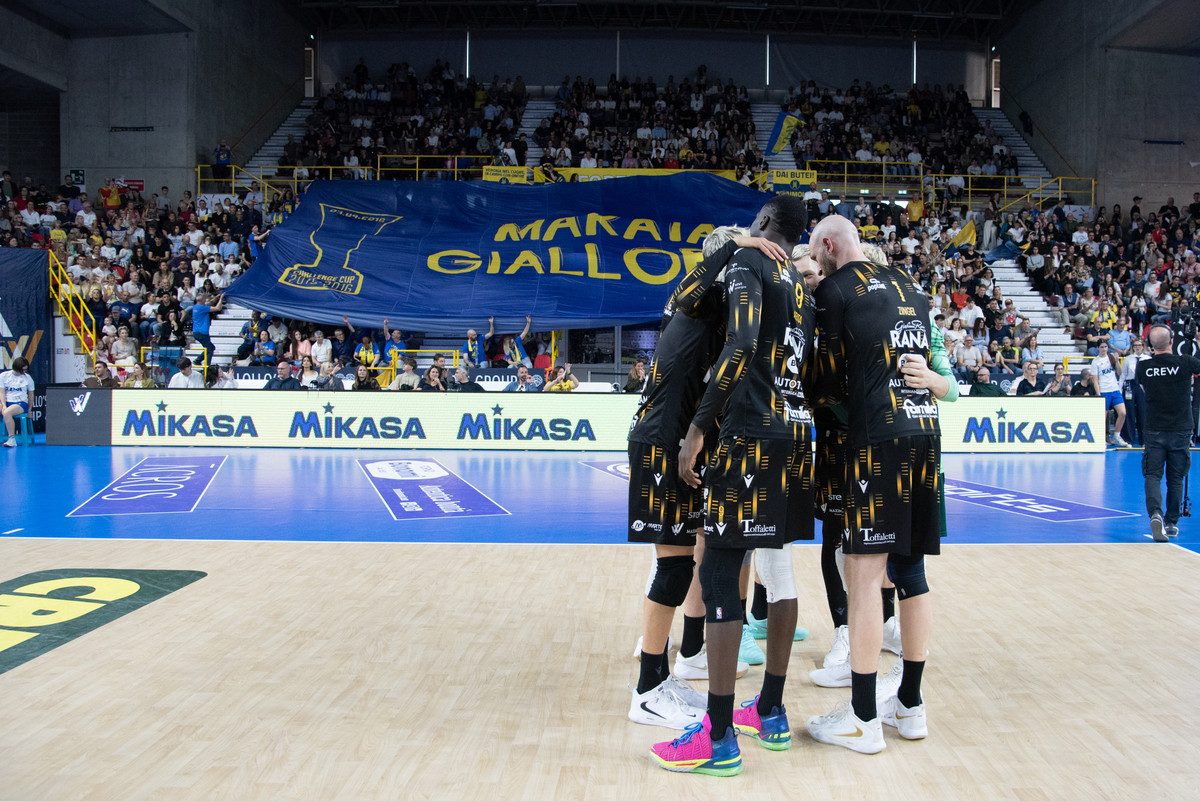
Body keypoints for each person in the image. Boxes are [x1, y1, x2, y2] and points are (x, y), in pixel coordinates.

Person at [657, 196, 813, 775]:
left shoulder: (749, 262)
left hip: (750, 433)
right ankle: (770, 710)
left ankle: (717, 737)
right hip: (795, 434)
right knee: (778, 570)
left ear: (764, 223)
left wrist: (698, 429)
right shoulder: (800, 288)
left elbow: (740, 344)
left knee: (720, 573)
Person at [628, 229, 787, 734]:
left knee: (681, 565)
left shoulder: (714, 310)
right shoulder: (697, 301)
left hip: (673, 441)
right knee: (673, 568)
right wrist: (738, 243)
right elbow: (688, 291)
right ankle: (647, 691)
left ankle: (662, 676)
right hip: (662, 441)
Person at [808, 212, 939, 754]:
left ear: (830, 245)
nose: (816, 265)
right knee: (911, 572)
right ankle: (910, 703)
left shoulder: (835, 290)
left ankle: (863, 718)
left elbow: (823, 380)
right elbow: (924, 364)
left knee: (862, 576)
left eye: (816, 254)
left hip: (876, 439)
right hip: (924, 432)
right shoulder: (911, 287)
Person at [1137, 325, 1200, 541]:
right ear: (1172, 341)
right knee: (1175, 477)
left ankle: (1156, 513)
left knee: (1153, 474)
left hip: (1154, 428)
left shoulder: (1143, 366)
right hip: (1180, 429)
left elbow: (1144, 390)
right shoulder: (1185, 362)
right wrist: (1196, 341)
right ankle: (1172, 522)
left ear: (1150, 345)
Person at [1092, 341, 1128, 446]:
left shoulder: (1111, 357)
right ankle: (1101, 439)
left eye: (1105, 347)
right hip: (1104, 391)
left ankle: (1117, 435)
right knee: (1103, 417)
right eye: (1102, 347)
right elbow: (1095, 380)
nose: (1104, 349)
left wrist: (1117, 361)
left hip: (1115, 390)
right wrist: (1099, 395)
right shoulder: (1095, 362)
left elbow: (1119, 372)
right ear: (1098, 348)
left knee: (1122, 413)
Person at [1, 356, 34, 447]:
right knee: (4, 409)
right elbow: (2, 392)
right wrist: (3, 405)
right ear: (17, 368)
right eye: (22, 370)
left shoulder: (28, 378)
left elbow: (31, 395)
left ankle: (11, 439)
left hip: (21, 403)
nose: (24, 372)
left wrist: (29, 410)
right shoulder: (4, 376)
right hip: (7, 401)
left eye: (25, 370)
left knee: (7, 412)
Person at [190, 292, 223, 364]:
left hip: (197, 332)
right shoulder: (202, 308)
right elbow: (218, 308)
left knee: (210, 348)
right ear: (201, 300)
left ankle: (198, 360)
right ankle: (204, 364)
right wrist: (221, 298)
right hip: (202, 333)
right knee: (210, 349)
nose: (206, 300)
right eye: (204, 298)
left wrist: (216, 297)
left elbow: (208, 304)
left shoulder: (195, 306)